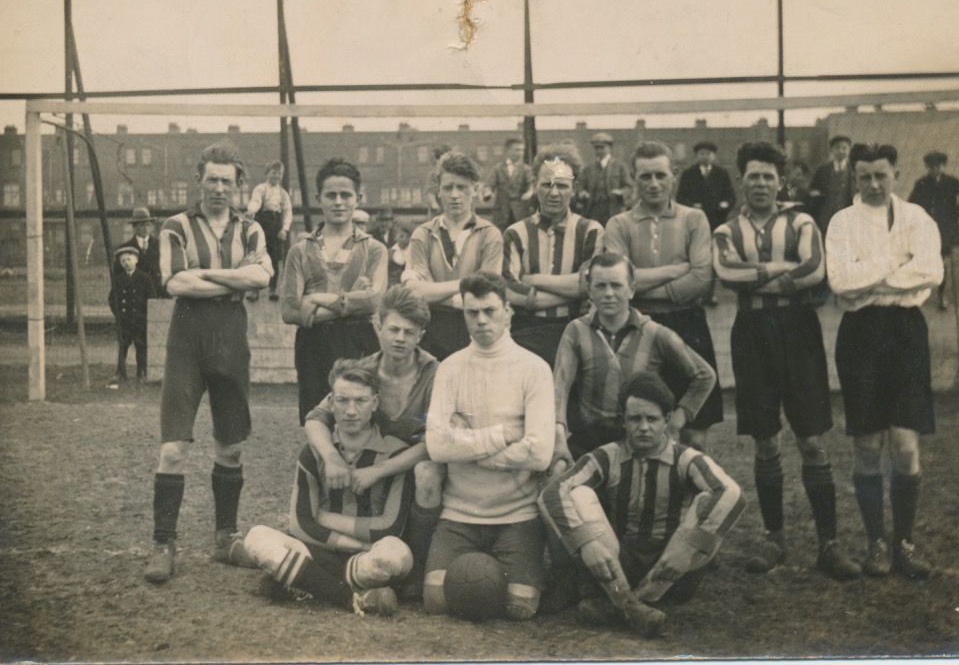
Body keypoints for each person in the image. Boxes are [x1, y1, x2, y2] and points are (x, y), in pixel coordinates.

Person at [712, 141, 860, 580]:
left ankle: (829, 544)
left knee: (811, 438)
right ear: (741, 180)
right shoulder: (727, 230)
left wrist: (756, 276)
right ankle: (774, 538)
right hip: (751, 334)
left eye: (768, 177)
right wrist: (782, 269)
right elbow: (725, 273)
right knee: (765, 440)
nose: (760, 183)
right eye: (753, 176)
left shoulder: (801, 220)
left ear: (781, 182)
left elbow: (815, 269)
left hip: (798, 332)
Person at [145, 141, 273, 584]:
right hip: (187, 336)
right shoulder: (176, 226)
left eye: (227, 181)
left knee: (230, 446)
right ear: (199, 180)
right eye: (212, 179)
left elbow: (263, 275)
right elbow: (175, 283)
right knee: (173, 448)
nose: (219, 188)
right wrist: (235, 280)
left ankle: (224, 537)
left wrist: (206, 274)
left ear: (238, 185)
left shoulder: (251, 229)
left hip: (231, 336)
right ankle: (163, 543)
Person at [539, 371, 745, 638]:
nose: (644, 427)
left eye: (652, 419)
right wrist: (586, 543)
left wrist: (690, 547)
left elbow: (733, 494)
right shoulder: (609, 455)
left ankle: (620, 603)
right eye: (635, 419)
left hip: (672, 568)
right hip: (620, 564)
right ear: (623, 421)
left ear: (667, 419)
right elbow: (552, 493)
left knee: (712, 499)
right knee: (578, 493)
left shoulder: (685, 458)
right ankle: (633, 606)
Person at [825, 143, 943, 579]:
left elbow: (931, 272)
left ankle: (904, 544)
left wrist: (870, 277)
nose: (873, 184)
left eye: (881, 175)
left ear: (896, 172)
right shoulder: (842, 222)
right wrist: (895, 263)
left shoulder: (918, 218)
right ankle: (876, 542)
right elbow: (841, 281)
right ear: (854, 178)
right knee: (868, 445)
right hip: (860, 335)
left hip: (906, 332)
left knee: (907, 445)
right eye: (864, 177)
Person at [422, 272, 555, 621]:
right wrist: (500, 436)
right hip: (459, 513)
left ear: (508, 311)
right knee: (436, 602)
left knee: (520, 608)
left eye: (490, 311)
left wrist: (466, 444)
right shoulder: (449, 368)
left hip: (517, 514)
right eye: (472, 312)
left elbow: (540, 453)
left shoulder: (535, 368)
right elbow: (437, 445)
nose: (481, 320)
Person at [242, 360, 415, 617]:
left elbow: (390, 527)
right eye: (343, 401)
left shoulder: (394, 454)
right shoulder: (314, 453)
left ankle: (305, 582)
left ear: (375, 403)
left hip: (365, 556)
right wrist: (354, 544)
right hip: (323, 550)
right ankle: (351, 596)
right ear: (331, 403)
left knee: (395, 554)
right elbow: (301, 524)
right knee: (256, 536)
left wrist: (323, 518)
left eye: (361, 401)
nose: (351, 411)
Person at [301, 285, 443, 580]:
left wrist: (378, 470)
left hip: (409, 468)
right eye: (393, 329)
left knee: (427, 472)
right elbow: (315, 419)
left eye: (409, 331)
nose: (400, 338)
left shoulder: (434, 373)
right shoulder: (365, 370)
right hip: (375, 474)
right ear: (378, 326)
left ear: (420, 335)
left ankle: (418, 568)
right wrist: (331, 458)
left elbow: (435, 442)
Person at [604, 141, 724, 451]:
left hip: (688, 323)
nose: (654, 184)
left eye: (660, 175)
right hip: (638, 327)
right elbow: (617, 280)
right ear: (633, 178)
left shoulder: (694, 219)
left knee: (694, 434)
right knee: (639, 430)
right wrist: (674, 270)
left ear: (674, 174)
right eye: (645, 176)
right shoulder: (618, 224)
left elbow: (701, 278)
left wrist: (639, 284)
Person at [552, 252, 716, 460]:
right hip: (590, 440)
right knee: (560, 472)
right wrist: (559, 437)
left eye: (616, 285)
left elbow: (704, 376)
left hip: (639, 440)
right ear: (589, 290)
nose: (608, 293)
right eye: (600, 286)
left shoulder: (654, 332)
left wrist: (677, 420)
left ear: (631, 289)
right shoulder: (576, 330)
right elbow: (560, 386)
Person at [279, 158, 386, 424]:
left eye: (345, 195)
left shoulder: (374, 249)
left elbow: (372, 302)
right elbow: (289, 309)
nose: (338, 202)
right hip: (313, 344)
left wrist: (315, 299)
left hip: (359, 341)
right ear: (319, 199)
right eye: (331, 195)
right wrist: (350, 301)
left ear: (358, 198)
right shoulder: (300, 250)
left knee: (360, 421)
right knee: (318, 421)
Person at [504, 144, 603, 368]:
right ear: (534, 185)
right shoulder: (515, 233)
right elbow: (510, 291)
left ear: (574, 187)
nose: (554, 193)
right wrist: (576, 293)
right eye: (547, 184)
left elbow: (592, 284)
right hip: (526, 332)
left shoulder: (590, 231)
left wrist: (533, 279)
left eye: (562, 185)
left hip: (577, 330)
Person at [403, 152, 503, 360]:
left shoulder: (489, 234)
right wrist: (468, 283)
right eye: (448, 188)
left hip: (474, 331)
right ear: (438, 190)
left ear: (475, 189)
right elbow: (414, 293)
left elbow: (485, 292)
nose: (455, 195)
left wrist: (433, 291)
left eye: (462, 187)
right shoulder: (422, 234)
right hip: (431, 332)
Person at [908, 151, 959, 310]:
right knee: (924, 261)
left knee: (941, 262)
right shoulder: (921, 184)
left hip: (945, 230)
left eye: (938, 166)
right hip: (926, 229)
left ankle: (941, 297)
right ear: (927, 167)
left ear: (943, 166)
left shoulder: (951, 182)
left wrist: (956, 213)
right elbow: (911, 204)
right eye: (932, 167)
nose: (935, 170)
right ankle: (920, 295)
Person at [675, 140, 735, 306]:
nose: (705, 156)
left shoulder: (721, 173)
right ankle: (694, 293)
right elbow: (680, 198)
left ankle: (709, 294)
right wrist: (691, 205)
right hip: (694, 224)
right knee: (695, 258)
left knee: (712, 258)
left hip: (716, 221)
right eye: (701, 154)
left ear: (713, 156)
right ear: (696, 156)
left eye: (708, 153)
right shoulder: (688, 174)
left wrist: (726, 204)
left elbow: (731, 196)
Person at [108, 245, 156, 388]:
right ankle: (120, 373)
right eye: (123, 261)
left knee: (141, 346)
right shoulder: (118, 280)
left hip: (140, 320)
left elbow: (151, 298)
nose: (126, 263)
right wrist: (118, 314)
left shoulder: (144, 278)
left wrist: (144, 314)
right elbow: (112, 299)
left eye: (129, 259)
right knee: (123, 346)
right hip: (124, 320)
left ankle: (141, 373)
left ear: (136, 260)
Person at [244, 160, 293, 302]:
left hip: (276, 226)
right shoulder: (260, 189)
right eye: (274, 172)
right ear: (267, 174)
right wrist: (251, 211)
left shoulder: (283, 194)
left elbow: (287, 211)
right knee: (257, 255)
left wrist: (284, 229)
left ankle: (273, 289)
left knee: (274, 258)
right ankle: (254, 291)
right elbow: (255, 202)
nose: (276, 176)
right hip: (261, 223)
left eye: (279, 173)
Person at [576, 132, 633, 227]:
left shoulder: (620, 166)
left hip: (614, 211)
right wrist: (583, 193)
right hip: (592, 212)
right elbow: (580, 186)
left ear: (609, 148)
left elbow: (629, 187)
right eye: (596, 148)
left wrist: (621, 192)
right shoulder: (588, 168)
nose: (599, 151)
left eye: (602, 148)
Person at [809, 135, 855, 236]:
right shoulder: (822, 170)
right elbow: (812, 189)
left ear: (849, 150)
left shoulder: (853, 170)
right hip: (826, 217)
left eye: (844, 148)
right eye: (837, 148)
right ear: (831, 150)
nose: (841, 151)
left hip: (847, 216)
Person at [114, 206, 163, 297]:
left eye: (148, 225)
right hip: (135, 296)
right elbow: (118, 275)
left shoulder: (160, 245)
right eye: (142, 225)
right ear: (134, 227)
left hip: (156, 293)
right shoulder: (125, 248)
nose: (146, 228)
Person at [487, 138, 534, 230]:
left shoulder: (526, 169)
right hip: (501, 212)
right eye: (517, 150)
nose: (520, 153)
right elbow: (490, 185)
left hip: (520, 212)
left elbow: (531, 184)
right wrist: (488, 192)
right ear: (508, 151)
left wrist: (529, 192)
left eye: (522, 150)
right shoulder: (497, 168)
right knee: (501, 235)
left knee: (520, 234)